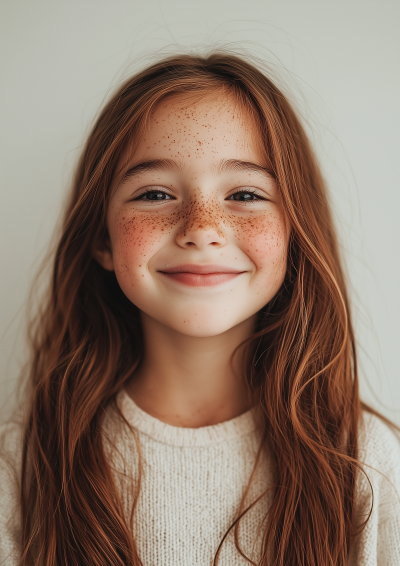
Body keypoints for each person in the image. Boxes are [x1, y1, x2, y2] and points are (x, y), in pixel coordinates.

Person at [0, 51, 399, 566]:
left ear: (294, 233)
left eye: (246, 194)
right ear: (101, 237)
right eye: (156, 192)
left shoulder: (366, 463)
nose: (201, 228)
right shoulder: (25, 464)